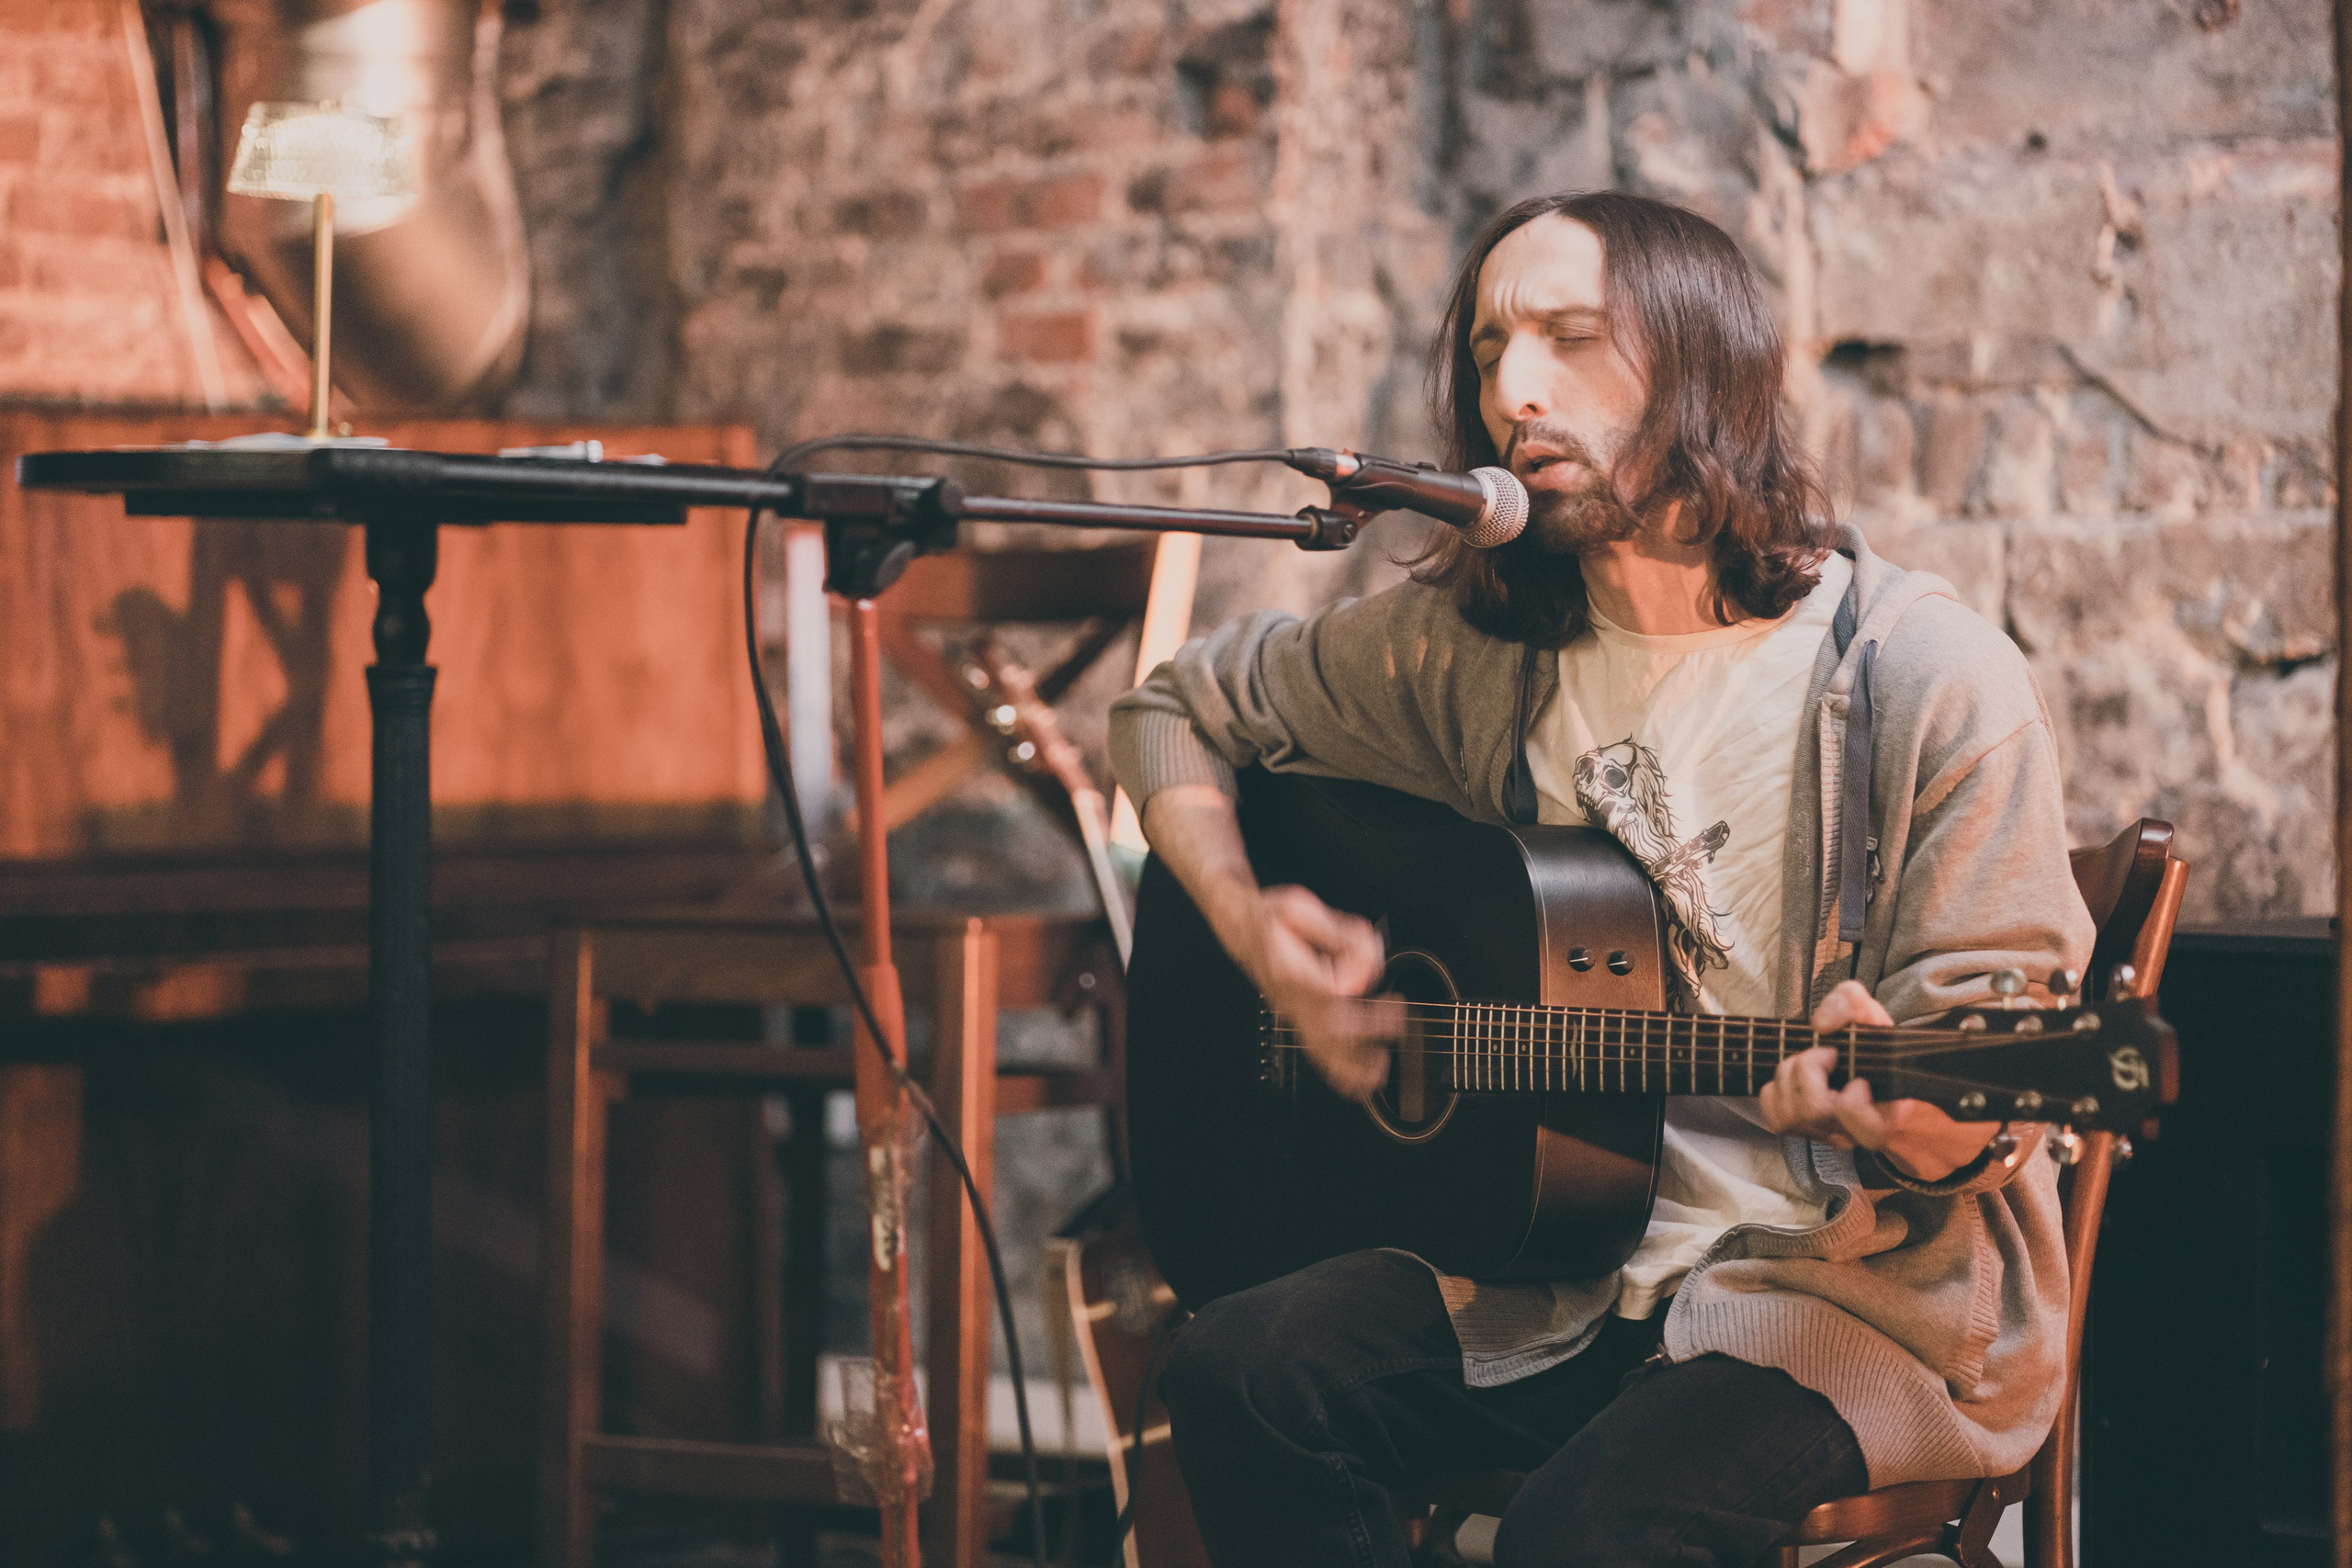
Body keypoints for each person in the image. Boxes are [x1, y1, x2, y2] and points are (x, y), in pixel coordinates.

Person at [1104, 190, 2097, 1568]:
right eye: (1490, 346)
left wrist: (1896, 1115)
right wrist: (1256, 931)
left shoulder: (1928, 679)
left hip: (1844, 1293)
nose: (1514, 389)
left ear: (1704, 366)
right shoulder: (1480, 654)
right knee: (1243, 1377)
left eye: (1570, 339)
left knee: (1587, 1533)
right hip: (1554, 1269)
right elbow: (1171, 713)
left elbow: (1991, 1123)